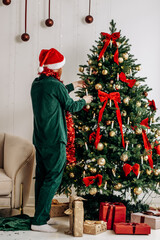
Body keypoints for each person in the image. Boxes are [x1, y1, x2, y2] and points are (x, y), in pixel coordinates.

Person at [30, 48, 93, 232]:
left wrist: (73, 85)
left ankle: (40, 216)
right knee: (53, 178)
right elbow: (71, 105)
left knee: (42, 178)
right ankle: (39, 222)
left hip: (40, 138)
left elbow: (55, 93)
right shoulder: (54, 85)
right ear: (57, 68)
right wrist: (86, 100)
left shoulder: (38, 83)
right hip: (55, 138)